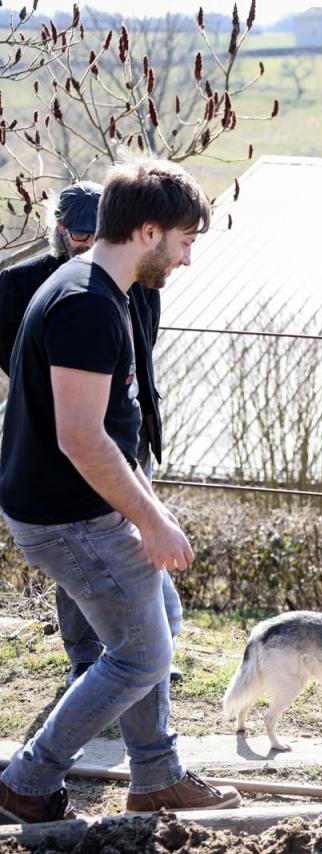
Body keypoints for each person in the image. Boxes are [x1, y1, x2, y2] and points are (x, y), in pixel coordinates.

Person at [0, 159, 240, 824]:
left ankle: (157, 775)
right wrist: (152, 521)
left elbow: (109, 427)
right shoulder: (84, 305)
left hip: (85, 506)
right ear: (147, 229)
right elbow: (82, 438)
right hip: (71, 517)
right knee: (139, 652)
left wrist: (145, 510)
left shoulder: (102, 289)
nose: (188, 259)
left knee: (158, 624)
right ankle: (27, 782)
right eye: (186, 241)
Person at [0, 184, 178, 688]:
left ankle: (145, 655)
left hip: (124, 435)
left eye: (94, 234)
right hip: (59, 446)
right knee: (82, 557)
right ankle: (91, 657)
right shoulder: (17, 287)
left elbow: (141, 352)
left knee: (135, 546)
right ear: (58, 232)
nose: (86, 244)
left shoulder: (137, 282)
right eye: (78, 235)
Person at [0, 183, 102, 375]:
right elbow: (10, 354)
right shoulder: (17, 282)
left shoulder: (136, 278)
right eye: (80, 234)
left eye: (98, 235)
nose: (90, 244)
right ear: (61, 226)